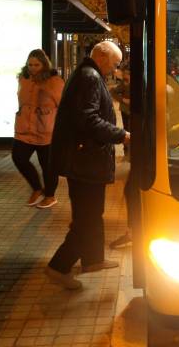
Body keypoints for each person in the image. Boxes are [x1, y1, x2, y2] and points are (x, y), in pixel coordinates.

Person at [45, 41, 130, 290]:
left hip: (84, 160)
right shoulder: (90, 77)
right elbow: (88, 119)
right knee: (87, 218)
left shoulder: (86, 73)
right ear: (101, 56)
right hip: (85, 161)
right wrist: (121, 135)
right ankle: (58, 266)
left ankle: (93, 260)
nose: (115, 69)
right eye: (114, 63)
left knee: (91, 214)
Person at [12, 49, 64, 209]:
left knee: (47, 166)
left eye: (36, 65)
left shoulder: (54, 81)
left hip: (45, 130)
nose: (33, 68)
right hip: (24, 129)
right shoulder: (24, 78)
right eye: (30, 65)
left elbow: (62, 105)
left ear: (44, 64)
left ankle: (50, 195)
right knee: (18, 158)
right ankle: (37, 188)